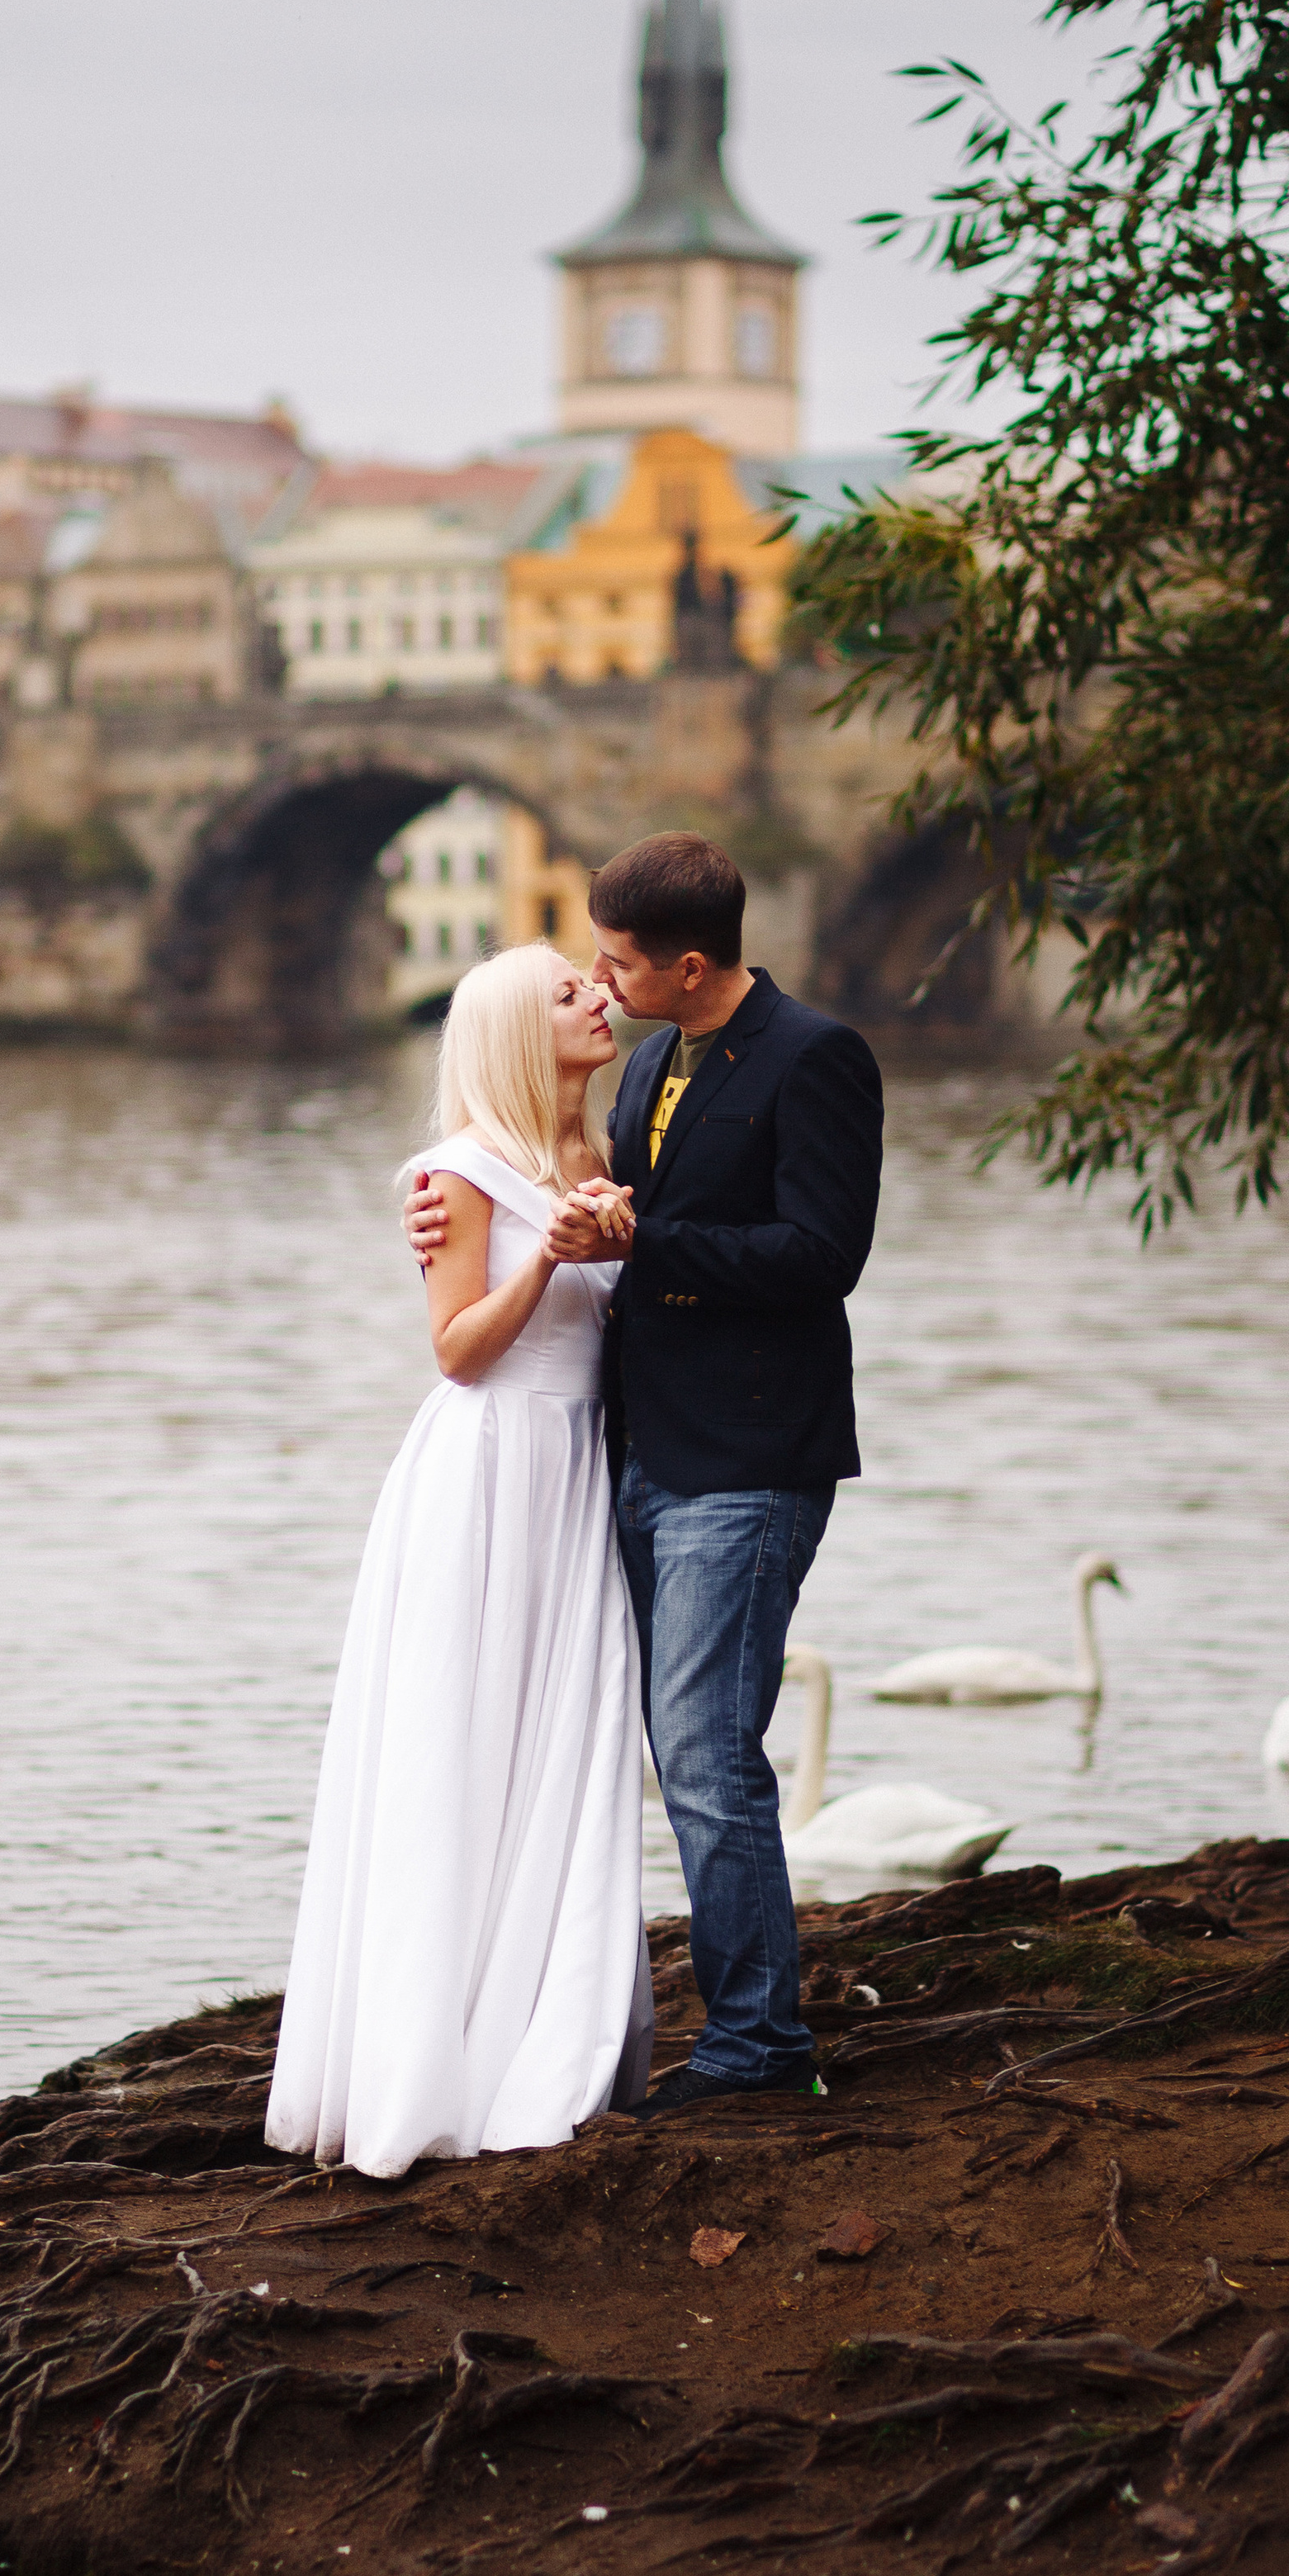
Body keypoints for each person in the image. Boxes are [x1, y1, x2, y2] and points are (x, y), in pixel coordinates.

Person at [404, 835, 883, 2114]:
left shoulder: (815, 1057)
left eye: (616, 963)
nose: (602, 983)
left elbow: (823, 1257)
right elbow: (545, 1182)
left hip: (749, 1454)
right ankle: (586, 2012)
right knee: (633, 1738)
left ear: (690, 965)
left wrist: (644, 1238)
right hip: (635, 1453)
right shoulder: (653, 1064)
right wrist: (450, 1208)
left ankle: (758, 2046)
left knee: (706, 1749)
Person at [265, 944, 655, 2181]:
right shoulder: (460, 1174)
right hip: (490, 1473)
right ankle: (432, 2056)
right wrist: (550, 1259)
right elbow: (458, 1352)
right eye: (567, 993)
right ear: (514, 1033)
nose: (597, 997)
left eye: (592, 983)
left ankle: (549, 2020)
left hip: (580, 1473)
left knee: (564, 1739)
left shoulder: (610, 1155)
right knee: (464, 1739)